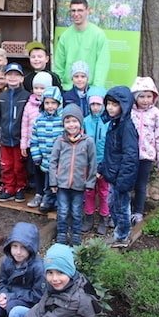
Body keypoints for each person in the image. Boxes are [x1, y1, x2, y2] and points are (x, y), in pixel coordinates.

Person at [49, 105, 99, 246]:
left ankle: (76, 234)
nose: (71, 125)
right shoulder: (60, 141)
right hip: (62, 184)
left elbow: (93, 163)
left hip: (79, 184)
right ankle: (62, 233)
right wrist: (53, 181)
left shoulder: (88, 141)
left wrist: (90, 183)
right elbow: (53, 162)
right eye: (68, 121)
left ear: (80, 122)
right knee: (63, 210)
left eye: (74, 121)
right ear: (63, 124)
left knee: (77, 211)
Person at [98, 86, 139, 248]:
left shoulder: (126, 127)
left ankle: (122, 236)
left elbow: (130, 156)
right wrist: (102, 168)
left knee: (121, 208)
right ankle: (118, 232)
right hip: (113, 175)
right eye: (108, 104)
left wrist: (124, 180)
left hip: (121, 177)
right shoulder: (114, 123)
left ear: (124, 106)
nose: (110, 108)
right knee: (112, 204)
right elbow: (111, 152)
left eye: (115, 105)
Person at [130, 77, 159, 224]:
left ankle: (138, 211)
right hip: (130, 155)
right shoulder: (130, 112)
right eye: (142, 96)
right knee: (128, 183)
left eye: (149, 96)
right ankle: (126, 210)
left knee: (141, 184)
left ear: (154, 97)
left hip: (146, 156)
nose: (145, 100)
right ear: (135, 97)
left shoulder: (155, 113)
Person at [54, 0, 110, 89]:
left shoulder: (98, 34)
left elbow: (102, 64)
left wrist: (96, 89)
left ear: (87, 11)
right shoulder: (65, 36)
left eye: (80, 10)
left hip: (91, 89)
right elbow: (59, 65)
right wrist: (58, 86)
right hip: (68, 88)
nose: (76, 14)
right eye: (73, 11)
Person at [0, 63, 31, 202]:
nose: (12, 77)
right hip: (5, 138)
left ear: (22, 78)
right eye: (9, 74)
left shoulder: (26, 96)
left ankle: (20, 188)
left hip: (19, 139)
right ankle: (9, 188)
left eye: (16, 75)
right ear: (5, 77)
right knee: (6, 165)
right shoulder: (2, 96)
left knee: (19, 166)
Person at [29, 86, 64, 214]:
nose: (50, 106)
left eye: (53, 103)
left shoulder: (63, 120)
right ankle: (48, 200)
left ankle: (59, 202)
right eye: (47, 103)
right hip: (45, 158)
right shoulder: (39, 120)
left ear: (59, 103)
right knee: (48, 182)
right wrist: (36, 156)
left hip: (60, 160)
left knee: (60, 183)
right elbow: (34, 140)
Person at [83, 89, 111, 234]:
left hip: (103, 164)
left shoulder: (108, 122)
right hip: (89, 164)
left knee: (104, 192)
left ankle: (104, 218)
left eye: (98, 104)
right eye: (93, 104)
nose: (95, 107)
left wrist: (104, 165)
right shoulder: (85, 121)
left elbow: (110, 145)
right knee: (89, 191)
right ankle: (88, 217)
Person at [21, 72, 51, 207]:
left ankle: (48, 196)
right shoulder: (29, 105)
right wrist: (24, 143)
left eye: (42, 88)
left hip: (49, 146)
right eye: (36, 88)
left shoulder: (52, 105)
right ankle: (39, 193)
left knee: (48, 172)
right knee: (36, 170)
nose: (39, 91)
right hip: (34, 145)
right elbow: (24, 125)